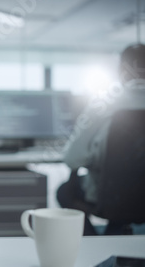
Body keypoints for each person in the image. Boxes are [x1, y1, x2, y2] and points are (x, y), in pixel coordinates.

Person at [58, 43, 145, 234]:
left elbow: (72, 159)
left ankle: (93, 244)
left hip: (111, 197)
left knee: (64, 191)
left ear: (122, 70)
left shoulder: (104, 103)